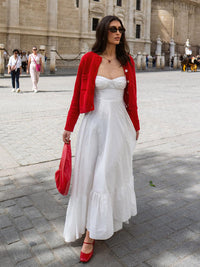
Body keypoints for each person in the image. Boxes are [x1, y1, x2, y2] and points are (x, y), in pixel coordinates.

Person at [62, 15, 140, 263]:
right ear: (104, 31)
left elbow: (132, 99)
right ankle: (91, 225)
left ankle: (92, 234)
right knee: (90, 175)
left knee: (106, 174)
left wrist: (135, 126)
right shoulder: (88, 60)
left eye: (121, 29)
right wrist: (68, 126)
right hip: (94, 125)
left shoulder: (127, 61)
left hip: (118, 126)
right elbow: (77, 95)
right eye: (113, 29)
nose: (118, 33)